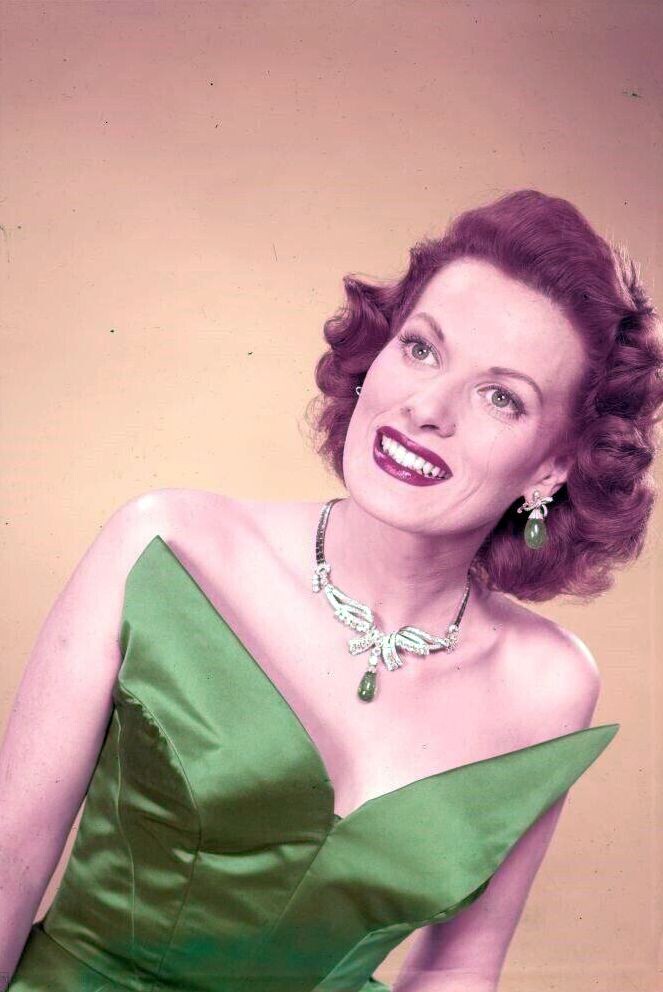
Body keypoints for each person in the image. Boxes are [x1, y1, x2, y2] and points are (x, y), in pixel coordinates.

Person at [2, 189, 661, 992]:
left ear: (551, 467)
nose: (426, 408)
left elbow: (458, 968)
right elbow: (10, 862)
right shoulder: (166, 547)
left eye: (500, 397)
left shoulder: (549, 683)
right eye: (421, 348)